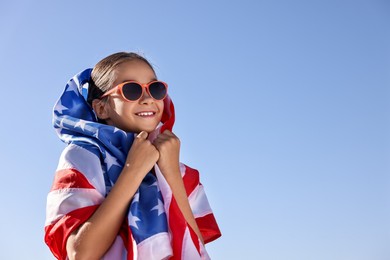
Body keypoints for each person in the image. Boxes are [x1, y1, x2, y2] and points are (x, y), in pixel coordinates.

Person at [44, 52, 221, 260]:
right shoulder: (84, 157)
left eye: (155, 89)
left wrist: (170, 171)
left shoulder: (179, 170)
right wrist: (133, 170)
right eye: (131, 90)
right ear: (101, 108)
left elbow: (194, 250)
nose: (147, 99)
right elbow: (79, 253)